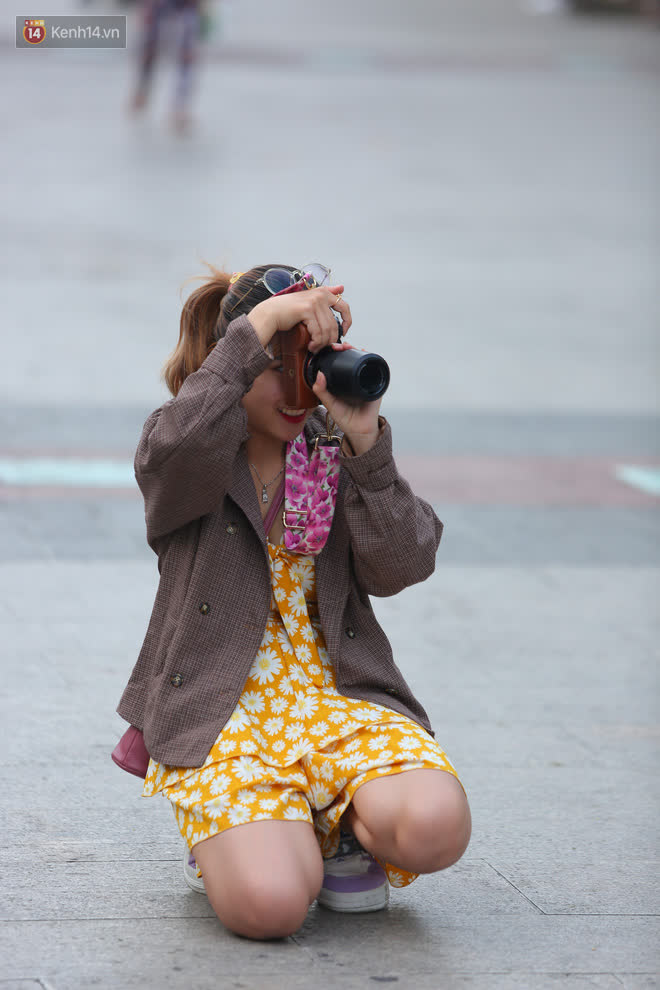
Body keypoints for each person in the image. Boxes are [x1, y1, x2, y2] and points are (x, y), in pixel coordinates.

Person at [117, 262, 471, 940]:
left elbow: (405, 562)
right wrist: (257, 333)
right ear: (241, 356)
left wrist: (367, 443)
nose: (297, 392)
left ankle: (336, 830)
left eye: (309, 367)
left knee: (436, 827)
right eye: (277, 366)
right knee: (272, 906)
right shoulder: (193, 449)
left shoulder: (327, 448)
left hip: (337, 696)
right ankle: (258, 835)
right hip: (224, 711)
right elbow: (172, 452)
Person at [129, 0, 203, 132]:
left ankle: (180, 105)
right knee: (149, 50)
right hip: (161, 6)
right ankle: (142, 91)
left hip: (187, 8)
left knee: (186, 55)